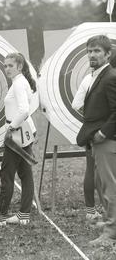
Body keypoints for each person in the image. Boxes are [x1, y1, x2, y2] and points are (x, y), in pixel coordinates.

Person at [76, 35, 116, 246]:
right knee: (104, 184)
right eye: (89, 51)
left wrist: (103, 133)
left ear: (108, 54)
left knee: (110, 187)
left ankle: (111, 233)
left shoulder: (110, 77)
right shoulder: (99, 75)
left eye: (97, 51)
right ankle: (111, 223)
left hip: (107, 141)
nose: (92, 55)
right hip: (101, 140)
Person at [0, 53, 37, 227]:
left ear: (19, 66)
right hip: (22, 131)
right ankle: (23, 214)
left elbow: (24, 110)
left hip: (17, 133)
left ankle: (0, 216)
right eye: (5, 66)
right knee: (25, 174)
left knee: (7, 174)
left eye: (10, 65)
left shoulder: (18, 83)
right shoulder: (21, 81)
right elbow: (24, 110)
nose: (7, 69)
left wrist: (11, 128)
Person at [72, 73, 103, 222]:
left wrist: (91, 118)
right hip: (105, 131)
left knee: (92, 168)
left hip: (94, 130)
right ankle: (104, 209)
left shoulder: (88, 78)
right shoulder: (101, 78)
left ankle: (92, 210)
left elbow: (76, 105)